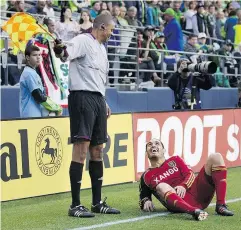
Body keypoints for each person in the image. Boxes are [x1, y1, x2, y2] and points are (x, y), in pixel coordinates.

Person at [53, 14, 120, 218]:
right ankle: (75, 205)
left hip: (98, 99)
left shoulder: (102, 49)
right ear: (101, 27)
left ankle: (97, 203)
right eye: (110, 29)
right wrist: (59, 49)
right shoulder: (83, 40)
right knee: (81, 149)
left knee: (98, 149)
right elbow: (64, 54)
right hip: (81, 97)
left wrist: (104, 101)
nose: (111, 33)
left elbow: (98, 79)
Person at [139, 138, 234, 221]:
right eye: (149, 144)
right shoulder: (146, 176)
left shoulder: (176, 160)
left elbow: (190, 174)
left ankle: (221, 205)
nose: (153, 146)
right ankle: (193, 211)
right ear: (146, 152)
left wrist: (183, 185)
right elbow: (143, 196)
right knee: (161, 185)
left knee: (215, 157)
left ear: (164, 150)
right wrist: (146, 201)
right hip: (177, 203)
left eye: (157, 143)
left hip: (198, 193)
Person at [19, 45, 62, 117]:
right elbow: (38, 96)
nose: (38, 57)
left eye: (39, 55)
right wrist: (55, 107)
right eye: (35, 55)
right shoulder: (28, 73)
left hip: (36, 114)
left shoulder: (33, 72)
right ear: (27, 57)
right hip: (30, 116)